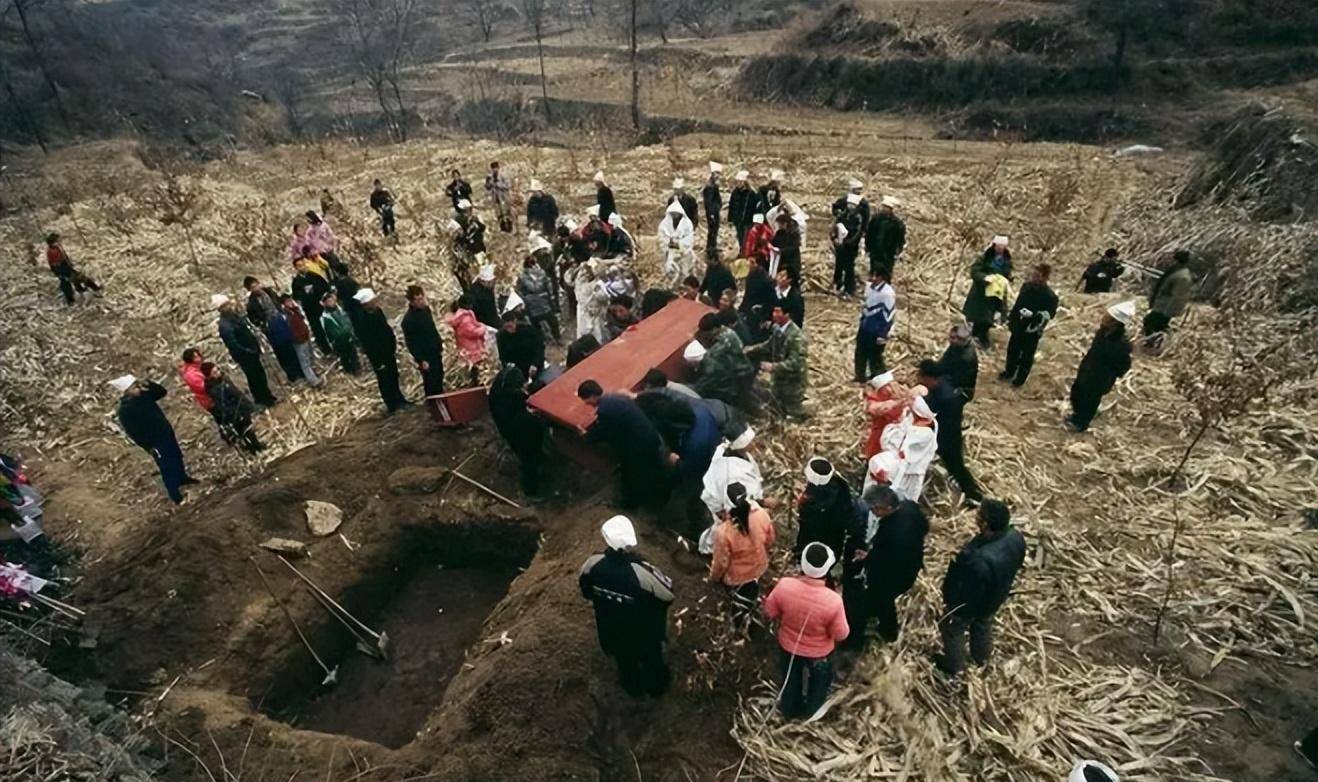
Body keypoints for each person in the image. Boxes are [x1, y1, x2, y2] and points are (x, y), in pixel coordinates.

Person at [579, 516, 675, 697]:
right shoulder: (640, 572)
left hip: (610, 628)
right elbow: (667, 595)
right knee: (652, 661)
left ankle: (633, 689)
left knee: (624, 661)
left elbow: (585, 589)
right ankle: (656, 689)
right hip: (644, 631)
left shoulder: (592, 564)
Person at [935, 499, 1026, 675]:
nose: (975, 517)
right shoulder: (1016, 537)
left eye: (978, 515)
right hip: (996, 596)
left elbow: (965, 590)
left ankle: (955, 668)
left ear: (984, 524)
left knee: (953, 630)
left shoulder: (980, 561)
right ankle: (981, 659)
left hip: (972, 603)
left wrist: (952, 603)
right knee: (983, 624)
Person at [763, 542, 849, 720]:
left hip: (788, 646)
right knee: (819, 684)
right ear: (826, 569)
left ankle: (789, 710)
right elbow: (841, 634)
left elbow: (769, 611)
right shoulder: (833, 601)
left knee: (790, 681)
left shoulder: (784, 586)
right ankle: (812, 714)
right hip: (819, 653)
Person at [852, 485, 927, 645]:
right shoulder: (909, 507)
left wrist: (869, 560)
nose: (872, 513)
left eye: (873, 509)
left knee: (882, 601)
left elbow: (885, 562)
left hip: (894, 576)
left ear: (884, 508)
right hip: (911, 564)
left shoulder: (894, 533)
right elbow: (925, 527)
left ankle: (887, 632)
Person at [579, 380, 670, 509]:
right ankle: (664, 496)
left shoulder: (605, 410)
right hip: (649, 438)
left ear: (593, 396)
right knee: (655, 469)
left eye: (586, 399)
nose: (585, 403)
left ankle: (633, 504)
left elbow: (604, 432)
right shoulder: (616, 398)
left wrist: (586, 436)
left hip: (637, 448)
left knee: (631, 476)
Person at [112, 375, 196, 504]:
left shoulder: (144, 396)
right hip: (154, 440)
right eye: (135, 387)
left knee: (176, 456)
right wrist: (148, 447)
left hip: (165, 432)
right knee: (167, 466)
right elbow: (133, 432)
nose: (138, 389)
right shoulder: (125, 410)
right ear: (126, 391)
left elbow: (161, 392)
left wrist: (149, 384)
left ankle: (182, 477)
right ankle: (175, 495)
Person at [918, 360, 983, 504]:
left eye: (921, 377)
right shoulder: (942, 388)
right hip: (945, 434)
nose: (919, 380)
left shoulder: (945, 397)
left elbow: (931, 411)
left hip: (948, 438)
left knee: (956, 466)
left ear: (929, 378)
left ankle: (974, 494)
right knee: (953, 465)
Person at [708, 481, 775, 619]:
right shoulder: (762, 514)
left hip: (737, 577)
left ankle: (740, 621)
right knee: (752, 591)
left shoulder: (724, 532)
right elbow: (770, 540)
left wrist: (714, 578)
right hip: (759, 566)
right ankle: (751, 610)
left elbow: (721, 562)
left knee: (739, 603)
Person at [1066, 301, 1134, 433]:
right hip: (1087, 370)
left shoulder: (1121, 345)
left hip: (1100, 378)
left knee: (1090, 400)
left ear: (1115, 322)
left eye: (1108, 317)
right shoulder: (1102, 332)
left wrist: (1109, 374)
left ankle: (1081, 423)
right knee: (1077, 393)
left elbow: (1124, 365)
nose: (1103, 318)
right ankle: (1077, 414)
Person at [489, 365, 548, 501]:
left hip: (506, 427)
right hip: (520, 435)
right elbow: (532, 425)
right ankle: (530, 493)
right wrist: (536, 417)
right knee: (529, 461)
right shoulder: (511, 402)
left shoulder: (498, 390)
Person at [1000, 263, 1059, 387]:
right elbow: (1018, 304)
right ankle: (1009, 371)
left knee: (1027, 355)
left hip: (1033, 329)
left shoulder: (1050, 296)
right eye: (1033, 274)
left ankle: (1020, 379)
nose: (1033, 277)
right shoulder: (1026, 287)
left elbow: (1049, 314)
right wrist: (1011, 319)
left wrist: (1034, 315)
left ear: (1044, 277)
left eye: (1037, 276)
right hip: (1019, 324)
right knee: (1013, 350)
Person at [747, 304, 808, 419]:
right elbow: (769, 345)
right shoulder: (777, 329)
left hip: (793, 383)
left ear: (787, 314)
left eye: (778, 312)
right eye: (774, 311)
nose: (774, 315)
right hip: (779, 380)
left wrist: (773, 367)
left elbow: (796, 363)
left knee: (793, 416)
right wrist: (750, 349)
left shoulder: (797, 337)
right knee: (778, 411)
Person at [216, 294, 277, 407]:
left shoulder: (233, 317)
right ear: (221, 309)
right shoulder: (224, 325)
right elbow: (233, 344)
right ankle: (262, 399)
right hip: (245, 355)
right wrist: (248, 351)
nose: (229, 306)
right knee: (254, 377)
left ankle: (267, 395)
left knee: (260, 374)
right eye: (226, 305)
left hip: (251, 350)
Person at [354, 288, 409, 413]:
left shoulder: (377, 311)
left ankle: (400, 399)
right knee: (385, 379)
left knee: (393, 375)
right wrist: (377, 362)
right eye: (372, 301)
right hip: (379, 356)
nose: (375, 302)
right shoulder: (363, 320)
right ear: (366, 304)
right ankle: (392, 404)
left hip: (388, 351)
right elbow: (368, 343)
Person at [691, 313, 756, 408]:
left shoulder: (724, 341)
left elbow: (711, 365)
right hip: (738, 370)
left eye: (706, 332)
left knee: (741, 402)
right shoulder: (726, 331)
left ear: (714, 329)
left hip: (741, 374)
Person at [202, 362, 266, 454]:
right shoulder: (215, 388)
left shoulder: (222, 381)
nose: (218, 373)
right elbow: (227, 401)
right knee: (244, 431)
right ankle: (253, 447)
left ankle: (255, 445)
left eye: (217, 370)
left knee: (248, 428)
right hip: (235, 412)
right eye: (215, 372)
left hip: (239, 408)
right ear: (209, 376)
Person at [963, 235, 1013, 348]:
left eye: (1003, 246)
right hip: (981, 292)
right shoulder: (985, 257)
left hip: (996, 293)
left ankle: (982, 337)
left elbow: (1007, 273)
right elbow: (974, 271)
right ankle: (975, 335)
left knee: (988, 318)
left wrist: (1005, 280)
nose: (1001, 248)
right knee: (977, 315)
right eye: (999, 246)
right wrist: (985, 278)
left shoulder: (1007, 260)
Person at [1143, 249, 1193, 351]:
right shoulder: (1175, 271)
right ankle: (1154, 346)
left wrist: (1167, 312)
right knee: (1155, 325)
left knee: (1151, 322)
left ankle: (1154, 346)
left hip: (1165, 308)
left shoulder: (1182, 276)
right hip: (1162, 306)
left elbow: (1177, 297)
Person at [401, 285, 445, 399]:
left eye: (422, 298)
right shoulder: (409, 320)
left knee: (439, 376)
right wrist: (420, 359)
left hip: (434, 350)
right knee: (430, 382)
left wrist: (439, 343)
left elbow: (432, 329)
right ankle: (433, 405)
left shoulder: (426, 310)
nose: (421, 301)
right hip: (425, 355)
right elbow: (411, 343)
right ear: (412, 301)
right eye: (418, 299)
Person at [855, 268, 896, 382]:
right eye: (872, 275)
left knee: (875, 357)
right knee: (860, 353)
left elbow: (889, 316)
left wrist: (883, 333)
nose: (873, 278)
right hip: (865, 326)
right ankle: (860, 377)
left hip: (877, 329)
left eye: (876, 276)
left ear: (881, 278)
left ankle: (879, 380)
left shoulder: (887, 293)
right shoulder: (869, 288)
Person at [45, 233, 102, 305]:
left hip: (64, 267)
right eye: (58, 239)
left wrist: (69, 264)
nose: (60, 240)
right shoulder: (52, 251)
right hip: (62, 269)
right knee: (70, 282)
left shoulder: (56, 247)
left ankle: (83, 292)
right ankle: (88, 291)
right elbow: (54, 263)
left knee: (75, 280)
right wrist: (59, 272)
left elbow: (63, 258)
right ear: (54, 241)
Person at [291, 256, 333, 353]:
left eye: (303, 264)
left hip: (322, 306)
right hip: (310, 310)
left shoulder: (313, 275)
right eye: (299, 266)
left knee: (329, 326)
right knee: (318, 330)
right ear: (296, 268)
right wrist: (305, 292)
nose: (302, 267)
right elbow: (296, 296)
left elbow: (325, 287)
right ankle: (326, 350)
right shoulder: (296, 282)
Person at [862, 370, 906, 460]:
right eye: (887, 387)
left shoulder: (903, 393)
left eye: (891, 385)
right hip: (880, 437)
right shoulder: (875, 399)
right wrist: (897, 403)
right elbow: (875, 408)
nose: (891, 389)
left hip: (899, 436)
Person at [516, 256, 560, 344]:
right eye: (533, 264)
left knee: (552, 320)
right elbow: (534, 288)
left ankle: (557, 337)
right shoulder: (524, 277)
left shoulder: (541, 273)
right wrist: (541, 278)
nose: (536, 266)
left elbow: (548, 285)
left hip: (544, 302)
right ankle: (542, 340)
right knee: (536, 324)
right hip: (532, 304)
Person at [446, 296, 490, 384]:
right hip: (472, 350)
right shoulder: (465, 319)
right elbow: (473, 332)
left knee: (473, 372)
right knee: (477, 373)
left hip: (466, 348)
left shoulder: (461, 317)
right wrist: (483, 328)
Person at [280, 295, 321, 387]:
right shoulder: (285, 315)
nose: (290, 302)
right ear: (283, 304)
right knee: (304, 361)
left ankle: (315, 373)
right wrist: (295, 338)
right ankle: (313, 380)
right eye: (287, 301)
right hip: (298, 340)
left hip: (305, 336)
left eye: (290, 300)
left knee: (310, 357)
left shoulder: (296, 310)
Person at [179, 348, 222, 434]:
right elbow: (203, 387)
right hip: (209, 399)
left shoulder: (197, 367)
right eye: (196, 357)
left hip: (212, 396)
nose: (199, 358)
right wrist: (215, 379)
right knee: (221, 417)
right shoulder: (191, 375)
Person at [264, 299, 306, 384]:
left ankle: (299, 374)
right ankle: (294, 377)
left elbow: (287, 327)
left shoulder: (280, 317)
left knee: (293, 357)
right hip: (280, 344)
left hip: (286, 340)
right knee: (287, 360)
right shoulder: (269, 323)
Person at [319, 291, 361, 375]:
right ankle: (349, 370)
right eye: (328, 301)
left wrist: (351, 331)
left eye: (331, 300)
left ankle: (357, 368)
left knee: (353, 353)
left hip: (349, 336)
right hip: (339, 342)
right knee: (345, 356)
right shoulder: (325, 317)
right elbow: (330, 332)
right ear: (324, 304)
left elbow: (347, 321)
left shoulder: (340, 309)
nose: (331, 302)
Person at [832, 193, 864, 297]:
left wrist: (847, 242)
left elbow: (857, 233)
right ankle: (837, 284)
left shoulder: (858, 218)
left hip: (850, 247)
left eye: (852, 205)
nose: (850, 206)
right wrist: (834, 239)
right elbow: (835, 227)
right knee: (839, 265)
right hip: (840, 246)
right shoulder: (843, 215)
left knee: (849, 267)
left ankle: (849, 288)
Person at [937, 323, 979, 403]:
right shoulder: (957, 346)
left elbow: (958, 380)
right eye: (952, 337)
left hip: (961, 390)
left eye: (958, 339)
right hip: (951, 380)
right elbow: (942, 363)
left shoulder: (966, 357)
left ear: (965, 340)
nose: (953, 340)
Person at [658, 200, 696, 287]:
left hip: (683, 253)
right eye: (673, 213)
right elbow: (661, 236)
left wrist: (678, 244)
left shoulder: (687, 224)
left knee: (684, 272)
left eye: (676, 213)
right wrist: (669, 243)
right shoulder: (664, 224)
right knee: (670, 270)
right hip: (670, 252)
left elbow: (689, 238)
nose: (675, 215)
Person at [865, 195, 905, 277]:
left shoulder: (897, 223)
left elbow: (900, 238)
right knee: (874, 272)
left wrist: (898, 249)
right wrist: (867, 246)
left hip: (888, 252)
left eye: (886, 207)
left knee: (886, 273)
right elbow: (869, 233)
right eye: (883, 207)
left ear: (890, 209)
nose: (884, 209)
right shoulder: (876, 219)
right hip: (875, 250)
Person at [497, 312, 546, 378]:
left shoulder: (527, 329)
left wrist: (535, 364)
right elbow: (503, 356)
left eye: (510, 326)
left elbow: (539, 347)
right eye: (506, 328)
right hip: (518, 368)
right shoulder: (501, 336)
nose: (509, 330)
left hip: (534, 363)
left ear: (515, 321)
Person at [305, 211, 347, 275]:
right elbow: (308, 242)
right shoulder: (310, 230)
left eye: (308, 218)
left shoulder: (323, 225)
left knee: (335, 264)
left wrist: (332, 243)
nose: (308, 220)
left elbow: (330, 235)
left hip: (328, 249)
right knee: (325, 268)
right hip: (319, 252)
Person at [771, 211, 802, 282]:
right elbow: (774, 243)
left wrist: (781, 251)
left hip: (791, 263)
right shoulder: (779, 233)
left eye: (779, 224)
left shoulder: (793, 234)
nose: (778, 226)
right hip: (780, 262)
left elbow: (793, 248)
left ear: (784, 224)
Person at [468, 264, 501, 329]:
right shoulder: (482, 294)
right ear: (485, 282)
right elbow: (490, 314)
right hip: (486, 322)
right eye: (492, 281)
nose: (494, 283)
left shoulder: (476, 288)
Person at [701, 162, 723, 260]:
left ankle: (712, 248)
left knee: (714, 231)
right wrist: (712, 214)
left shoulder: (713, 185)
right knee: (712, 231)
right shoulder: (710, 187)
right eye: (717, 173)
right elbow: (709, 202)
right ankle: (710, 250)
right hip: (712, 213)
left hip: (714, 212)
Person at [485, 161, 513, 233]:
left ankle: (509, 227)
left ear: (498, 168)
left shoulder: (503, 175)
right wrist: (488, 183)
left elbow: (508, 185)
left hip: (503, 196)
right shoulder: (490, 177)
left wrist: (499, 184)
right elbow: (487, 188)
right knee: (499, 213)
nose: (494, 170)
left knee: (506, 212)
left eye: (496, 168)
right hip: (496, 197)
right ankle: (502, 227)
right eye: (493, 168)